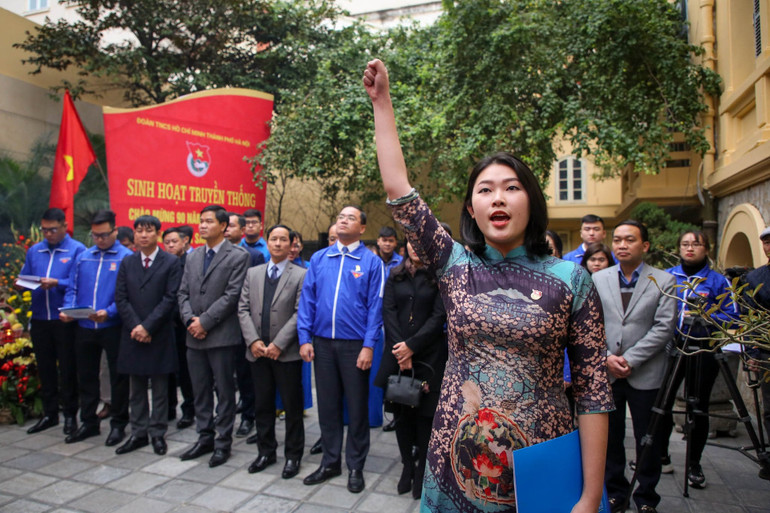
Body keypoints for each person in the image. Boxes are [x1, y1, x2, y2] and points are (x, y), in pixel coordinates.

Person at [364, 59, 613, 513]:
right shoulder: (453, 264)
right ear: (471, 208)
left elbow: (593, 391)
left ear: (531, 200)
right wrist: (382, 104)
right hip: (453, 462)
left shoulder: (571, 279)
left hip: (541, 465)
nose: (498, 197)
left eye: (511, 188)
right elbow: (400, 190)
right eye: (485, 190)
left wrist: (590, 496)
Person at [297, 205, 384, 494]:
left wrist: (368, 345)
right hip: (322, 344)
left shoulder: (371, 262)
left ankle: (356, 466)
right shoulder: (320, 258)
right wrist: (304, 338)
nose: (344, 221)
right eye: (340, 217)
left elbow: (375, 308)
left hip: (354, 346)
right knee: (328, 406)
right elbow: (308, 299)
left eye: (351, 218)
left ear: (362, 228)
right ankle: (330, 461)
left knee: (357, 407)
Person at [592, 220, 677, 513]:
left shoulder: (664, 281)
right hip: (608, 373)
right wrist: (606, 357)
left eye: (630, 240)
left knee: (648, 439)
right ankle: (616, 492)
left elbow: (664, 327)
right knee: (610, 438)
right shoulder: (598, 279)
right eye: (617, 240)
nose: (622, 245)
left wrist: (629, 359)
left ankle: (646, 497)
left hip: (646, 372)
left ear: (645, 245)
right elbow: (589, 324)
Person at [654, 231, 739, 489]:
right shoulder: (667, 277)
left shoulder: (718, 281)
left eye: (696, 244)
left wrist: (706, 317)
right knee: (662, 402)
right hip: (671, 347)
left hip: (703, 349)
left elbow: (733, 316)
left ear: (706, 249)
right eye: (685, 244)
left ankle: (694, 464)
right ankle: (661, 455)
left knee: (698, 406)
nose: (690, 248)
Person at [177, 205, 250, 467]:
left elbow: (232, 295)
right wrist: (190, 320)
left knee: (225, 391)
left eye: (209, 221)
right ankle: (204, 436)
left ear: (223, 226)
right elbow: (182, 293)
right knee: (200, 390)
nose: (203, 225)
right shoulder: (194, 256)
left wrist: (205, 322)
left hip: (221, 335)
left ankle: (222, 442)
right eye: (201, 221)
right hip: (193, 336)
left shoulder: (238, 256)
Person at [374, 240, 447, 499]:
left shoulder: (439, 276)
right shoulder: (395, 275)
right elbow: (388, 312)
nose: (416, 245)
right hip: (397, 355)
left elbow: (439, 317)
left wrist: (412, 347)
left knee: (426, 418)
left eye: (421, 241)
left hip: (429, 357)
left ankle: (422, 469)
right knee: (402, 415)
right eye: (411, 241)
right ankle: (407, 465)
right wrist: (401, 351)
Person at [238, 224, 307, 479]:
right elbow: (242, 309)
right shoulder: (253, 273)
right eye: (274, 239)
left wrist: (279, 344)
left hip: (285, 353)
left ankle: (293, 455)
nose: (278, 243)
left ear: (292, 244)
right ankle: (266, 451)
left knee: (292, 406)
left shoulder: (301, 274)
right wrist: (253, 341)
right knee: (262, 405)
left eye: (283, 240)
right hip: (257, 352)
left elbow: (301, 312)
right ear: (267, 243)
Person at [60, 210, 133, 446]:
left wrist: (109, 312)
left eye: (104, 235)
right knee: (86, 375)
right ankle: (89, 422)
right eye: (95, 235)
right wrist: (68, 309)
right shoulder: (84, 257)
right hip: (84, 325)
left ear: (115, 231)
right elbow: (72, 287)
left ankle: (118, 423)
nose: (99, 240)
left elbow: (127, 294)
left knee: (118, 377)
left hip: (112, 326)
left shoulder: (126, 258)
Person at [114, 215, 182, 456]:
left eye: (149, 230)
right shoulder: (127, 262)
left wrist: (148, 327)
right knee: (136, 387)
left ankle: (157, 433)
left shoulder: (170, 262)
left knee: (161, 388)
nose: (143, 235)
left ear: (158, 234)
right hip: (133, 333)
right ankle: (138, 432)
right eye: (139, 231)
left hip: (159, 333)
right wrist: (136, 326)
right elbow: (121, 297)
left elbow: (170, 298)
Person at [19, 208, 86, 435]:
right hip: (40, 318)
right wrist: (24, 283)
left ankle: (70, 414)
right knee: (45, 368)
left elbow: (79, 282)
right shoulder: (35, 250)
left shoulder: (77, 249)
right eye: (44, 230)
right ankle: (49, 414)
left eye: (53, 230)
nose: (48, 234)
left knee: (67, 368)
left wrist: (57, 282)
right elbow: (25, 277)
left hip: (64, 319)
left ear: (64, 226)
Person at [226, 212, 261, 438]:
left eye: (231, 226)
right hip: (218, 324)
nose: (227, 230)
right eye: (225, 226)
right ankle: (225, 413)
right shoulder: (209, 255)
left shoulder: (253, 256)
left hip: (242, 324)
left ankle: (249, 416)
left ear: (242, 230)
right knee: (222, 376)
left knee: (245, 373)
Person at [162, 227, 195, 429]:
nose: (170, 245)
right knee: (166, 369)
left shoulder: (190, 263)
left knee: (186, 370)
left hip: (185, 325)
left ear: (185, 241)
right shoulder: (163, 263)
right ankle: (168, 407)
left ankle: (189, 408)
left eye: (174, 241)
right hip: (165, 325)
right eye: (167, 242)